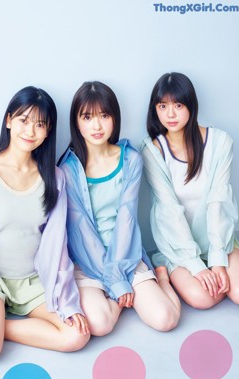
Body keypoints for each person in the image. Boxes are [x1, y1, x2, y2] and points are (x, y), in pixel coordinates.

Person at [0, 86, 90, 360]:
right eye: (24, 120)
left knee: (76, 336)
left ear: (48, 131)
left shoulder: (55, 179)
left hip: (33, 281)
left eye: (40, 124)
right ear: (9, 120)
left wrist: (69, 305)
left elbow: (57, 246)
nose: (30, 131)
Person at [59, 81, 180, 335]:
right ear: (77, 122)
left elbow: (126, 219)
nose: (97, 125)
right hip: (87, 262)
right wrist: (116, 284)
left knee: (166, 319)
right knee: (99, 326)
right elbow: (82, 232)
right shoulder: (68, 170)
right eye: (88, 117)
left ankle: (163, 279)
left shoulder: (131, 160)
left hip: (127, 255)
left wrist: (120, 276)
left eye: (104, 115)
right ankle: (121, 296)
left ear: (115, 118)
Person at [141, 72, 239, 309]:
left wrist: (217, 261)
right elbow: (169, 211)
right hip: (178, 247)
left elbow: (219, 201)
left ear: (191, 105)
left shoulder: (221, 142)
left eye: (178, 105)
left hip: (220, 239)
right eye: (162, 106)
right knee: (203, 299)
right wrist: (196, 267)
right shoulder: (152, 151)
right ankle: (165, 272)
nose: (170, 114)